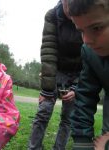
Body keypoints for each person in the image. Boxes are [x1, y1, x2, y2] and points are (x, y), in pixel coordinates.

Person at [28, 0, 82, 149]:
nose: (71, 8)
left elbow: (91, 56)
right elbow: (48, 49)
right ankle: (34, 147)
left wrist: (77, 87)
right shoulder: (52, 15)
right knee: (43, 111)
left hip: (78, 72)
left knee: (68, 118)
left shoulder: (88, 12)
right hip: (56, 69)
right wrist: (47, 87)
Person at [66, 0, 109, 149]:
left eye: (97, 28)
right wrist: (82, 142)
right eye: (81, 31)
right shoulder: (89, 52)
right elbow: (85, 95)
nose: (87, 40)